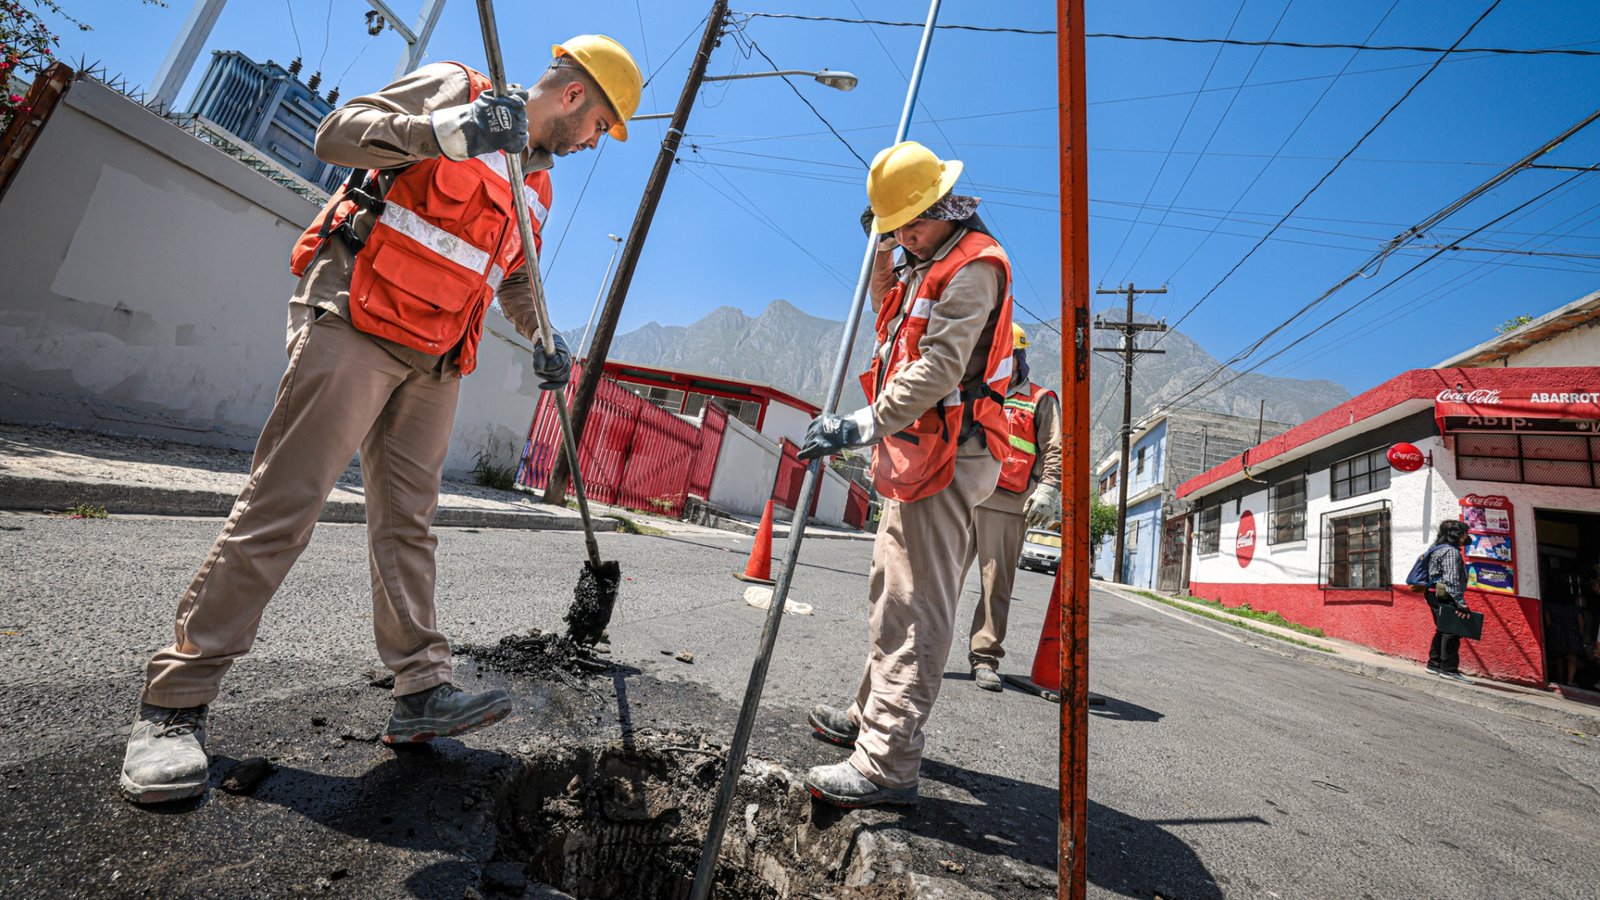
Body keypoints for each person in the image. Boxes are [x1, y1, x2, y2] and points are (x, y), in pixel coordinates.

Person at [118, 36, 643, 804]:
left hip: (437, 357)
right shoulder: (458, 88)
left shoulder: (537, 186)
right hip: (358, 316)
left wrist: (545, 336)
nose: (595, 142)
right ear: (573, 96)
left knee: (408, 526)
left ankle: (421, 691)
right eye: (600, 125)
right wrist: (451, 131)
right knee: (284, 505)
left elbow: (515, 279)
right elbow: (337, 133)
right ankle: (175, 702)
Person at [796, 141, 1015, 808]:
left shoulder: (973, 267)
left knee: (917, 602)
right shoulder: (925, 259)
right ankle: (870, 718)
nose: (903, 237)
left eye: (908, 226)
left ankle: (887, 762)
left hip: (952, 452)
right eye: (893, 228)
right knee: (891, 589)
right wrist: (884, 248)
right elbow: (885, 308)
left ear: (942, 207)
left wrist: (859, 425)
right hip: (918, 449)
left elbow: (941, 368)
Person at [963, 323, 1061, 691]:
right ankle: (922, 649)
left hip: (1006, 504)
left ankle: (984, 657)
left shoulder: (1041, 399)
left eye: (1009, 355)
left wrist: (1048, 489)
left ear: (1020, 358)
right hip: (963, 495)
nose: (1002, 362)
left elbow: (1055, 448)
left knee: (996, 586)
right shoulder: (975, 390)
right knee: (939, 577)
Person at [1424, 519, 1473, 682]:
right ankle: (1449, 669)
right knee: (1452, 631)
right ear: (1456, 534)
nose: (1466, 537)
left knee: (1442, 628)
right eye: (1464, 533)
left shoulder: (1436, 548)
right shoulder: (1451, 552)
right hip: (1444, 593)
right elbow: (1451, 579)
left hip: (1433, 592)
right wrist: (1460, 602)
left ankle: (1434, 664)